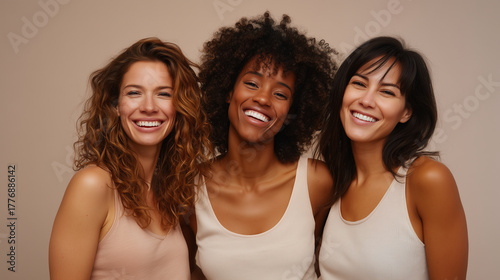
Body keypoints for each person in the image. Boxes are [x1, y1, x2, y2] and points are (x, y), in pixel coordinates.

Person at [188, 12, 337, 280]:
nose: (263, 98)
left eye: (280, 94)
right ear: (228, 91)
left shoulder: (317, 181)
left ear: (294, 110)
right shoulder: (191, 187)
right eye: (252, 83)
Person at [49, 37, 211, 279]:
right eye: (134, 92)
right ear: (116, 105)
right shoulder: (93, 185)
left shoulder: (172, 190)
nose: (148, 106)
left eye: (163, 94)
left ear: (179, 109)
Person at [316, 36, 468, 280]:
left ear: (406, 112)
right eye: (359, 83)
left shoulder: (428, 179)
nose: (366, 100)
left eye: (387, 92)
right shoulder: (332, 181)